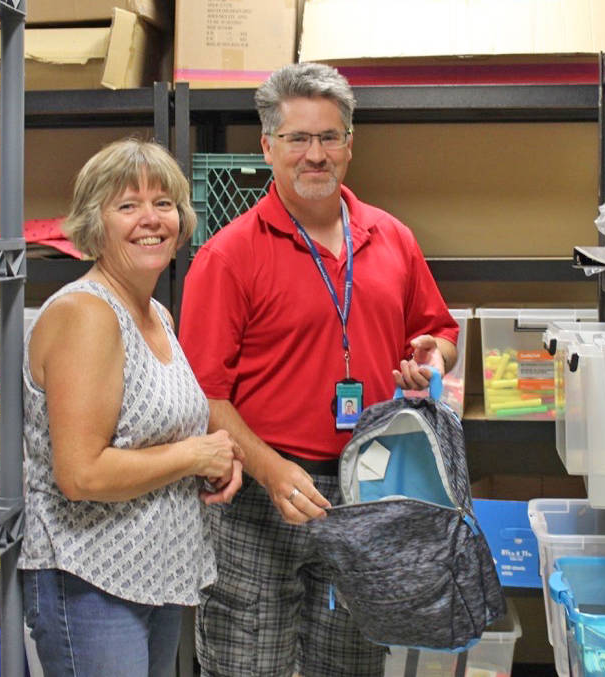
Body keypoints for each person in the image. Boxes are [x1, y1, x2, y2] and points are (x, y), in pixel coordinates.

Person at [178, 62, 459, 677]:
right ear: (268, 147)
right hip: (259, 495)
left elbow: (439, 332)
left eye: (329, 137)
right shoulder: (228, 256)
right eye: (297, 139)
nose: (315, 154)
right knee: (246, 663)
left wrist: (431, 357)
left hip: (369, 487)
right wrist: (274, 472)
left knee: (352, 663)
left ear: (349, 146)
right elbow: (204, 396)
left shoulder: (392, 239)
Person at [19, 138, 243, 677]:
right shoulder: (86, 314)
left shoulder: (155, 314)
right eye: (128, 205)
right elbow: (82, 474)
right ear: (95, 224)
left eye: (163, 203)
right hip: (89, 579)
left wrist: (217, 462)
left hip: (155, 572)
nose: (151, 219)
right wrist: (193, 457)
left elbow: (162, 434)